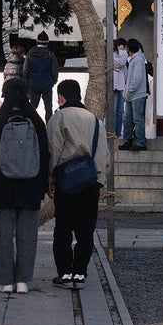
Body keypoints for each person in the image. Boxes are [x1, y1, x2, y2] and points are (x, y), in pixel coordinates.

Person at [0, 77, 50, 294]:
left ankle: (6, 281)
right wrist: (44, 185)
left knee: (3, 236)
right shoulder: (36, 120)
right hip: (31, 185)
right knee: (27, 236)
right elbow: (45, 155)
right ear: (27, 94)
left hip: (3, 186)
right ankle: (23, 281)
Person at [47, 79, 108, 290]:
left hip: (66, 182)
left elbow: (53, 151)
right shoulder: (95, 120)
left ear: (61, 97)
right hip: (89, 182)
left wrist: (50, 180)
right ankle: (80, 273)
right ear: (80, 96)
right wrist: (100, 182)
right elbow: (102, 154)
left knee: (63, 229)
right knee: (85, 232)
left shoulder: (59, 118)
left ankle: (65, 273)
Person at [118, 38, 148, 151]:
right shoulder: (135, 59)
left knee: (137, 119)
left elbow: (136, 79)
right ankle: (128, 140)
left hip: (137, 95)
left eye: (126, 47)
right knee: (127, 119)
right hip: (132, 95)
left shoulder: (138, 60)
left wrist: (128, 92)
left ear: (129, 48)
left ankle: (141, 142)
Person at [25, 32, 60, 121]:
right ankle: (49, 128)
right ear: (47, 43)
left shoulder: (30, 54)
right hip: (47, 84)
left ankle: (31, 124)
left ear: (37, 42)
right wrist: (53, 81)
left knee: (32, 108)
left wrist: (26, 83)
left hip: (33, 84)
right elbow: (55, 70)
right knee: (48, 108)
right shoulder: (50, 54)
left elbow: (25, 70)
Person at [112, 39, 128, 136]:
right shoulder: (113, 56)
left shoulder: (121, 56)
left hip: (120, 87)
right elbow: (121, 63)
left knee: (120, 112)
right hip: (113, 87)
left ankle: (117, 133)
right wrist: (122, 51)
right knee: (113, 111)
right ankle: (111, 132)